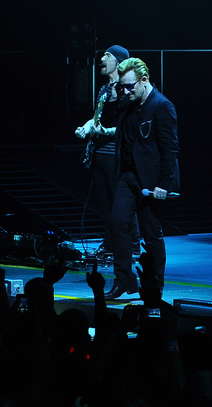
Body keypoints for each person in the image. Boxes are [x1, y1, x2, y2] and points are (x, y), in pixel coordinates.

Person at [106, 58, 180, 304]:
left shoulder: (161, 106)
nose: (126, 91)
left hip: (150, 180)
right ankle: (123, 280)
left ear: (144, 80)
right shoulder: (127, 103)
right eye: (123, 87)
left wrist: (163, 184)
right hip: (127, 176)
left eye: (130, 86)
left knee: (151, 234)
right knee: (118, 221)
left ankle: (155, 286)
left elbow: (170, 149)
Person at [74, 44, 131, 262]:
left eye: (107, 55)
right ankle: (109, 245)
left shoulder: (125, 89)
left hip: (114, 153)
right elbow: (97, 117)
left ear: (118, 62)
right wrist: (85, 127)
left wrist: (105, 131)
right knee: (105, 203)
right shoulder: (104, 89)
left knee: (121, 202)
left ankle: (131, 246)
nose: (102, 59)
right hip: (99, 151)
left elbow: (127, 125)